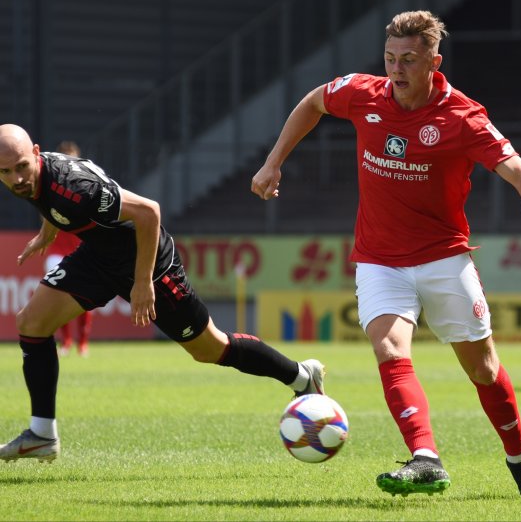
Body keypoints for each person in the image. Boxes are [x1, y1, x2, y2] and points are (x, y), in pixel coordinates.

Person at [251, 10, 521, 500]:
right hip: (379, 259)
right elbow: (313, 102)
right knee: (390, 350)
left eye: (409, 60)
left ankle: (520, 462)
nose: (397, 69)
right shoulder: (363, 93)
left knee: (482, 369)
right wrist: (273, 163)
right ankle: (426, 457)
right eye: (391, 58)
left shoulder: (462, 116)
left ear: (433, 62)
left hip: (444, 260)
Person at [0, 123, 325, 464]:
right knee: (32, 323)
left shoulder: (75, 186)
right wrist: (47, 233)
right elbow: (49, 199)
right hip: (99, 257)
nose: (17, 178)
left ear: (36, 153)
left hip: (150, 263)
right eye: (5, 172)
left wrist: (142, 283)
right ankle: (41, 434)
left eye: (22, 167)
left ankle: (302, 376)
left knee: (210, 349)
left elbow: (148, 211)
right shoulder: (34, 177)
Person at [44, 141, 93, 357]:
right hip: (57, 251)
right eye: (65, 157)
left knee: (84, 297)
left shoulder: (87, 182)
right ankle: (66, 340)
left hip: (81, 250)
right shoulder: (49, 184)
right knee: (59, 295)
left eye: (72, 158)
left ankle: (83, 342)